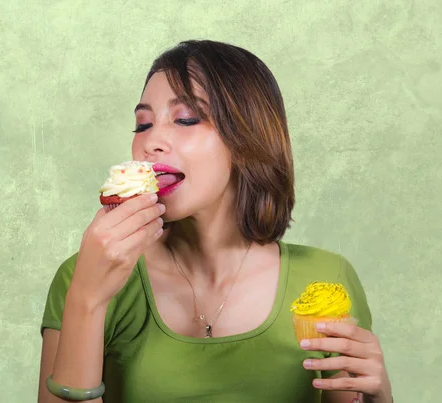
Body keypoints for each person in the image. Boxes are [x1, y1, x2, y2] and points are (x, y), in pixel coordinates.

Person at [38, 39, 393, 403]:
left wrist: (379, 397)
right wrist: (87, 299)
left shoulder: (325, 280)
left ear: (246, 138)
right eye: (143, 125)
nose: (152, 142)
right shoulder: (86, 274)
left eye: (186, 119)